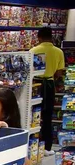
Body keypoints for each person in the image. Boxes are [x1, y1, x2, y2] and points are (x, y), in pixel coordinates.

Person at [30, 27, 65, 155]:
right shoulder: (58, 52)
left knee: (33, 115)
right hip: (49, 84)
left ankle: (33, 145)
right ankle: (47, 147)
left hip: (35, 85)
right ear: (51, 37)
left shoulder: (33, 51)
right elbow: (59, 73)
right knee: (48, 116)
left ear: (39, 37)